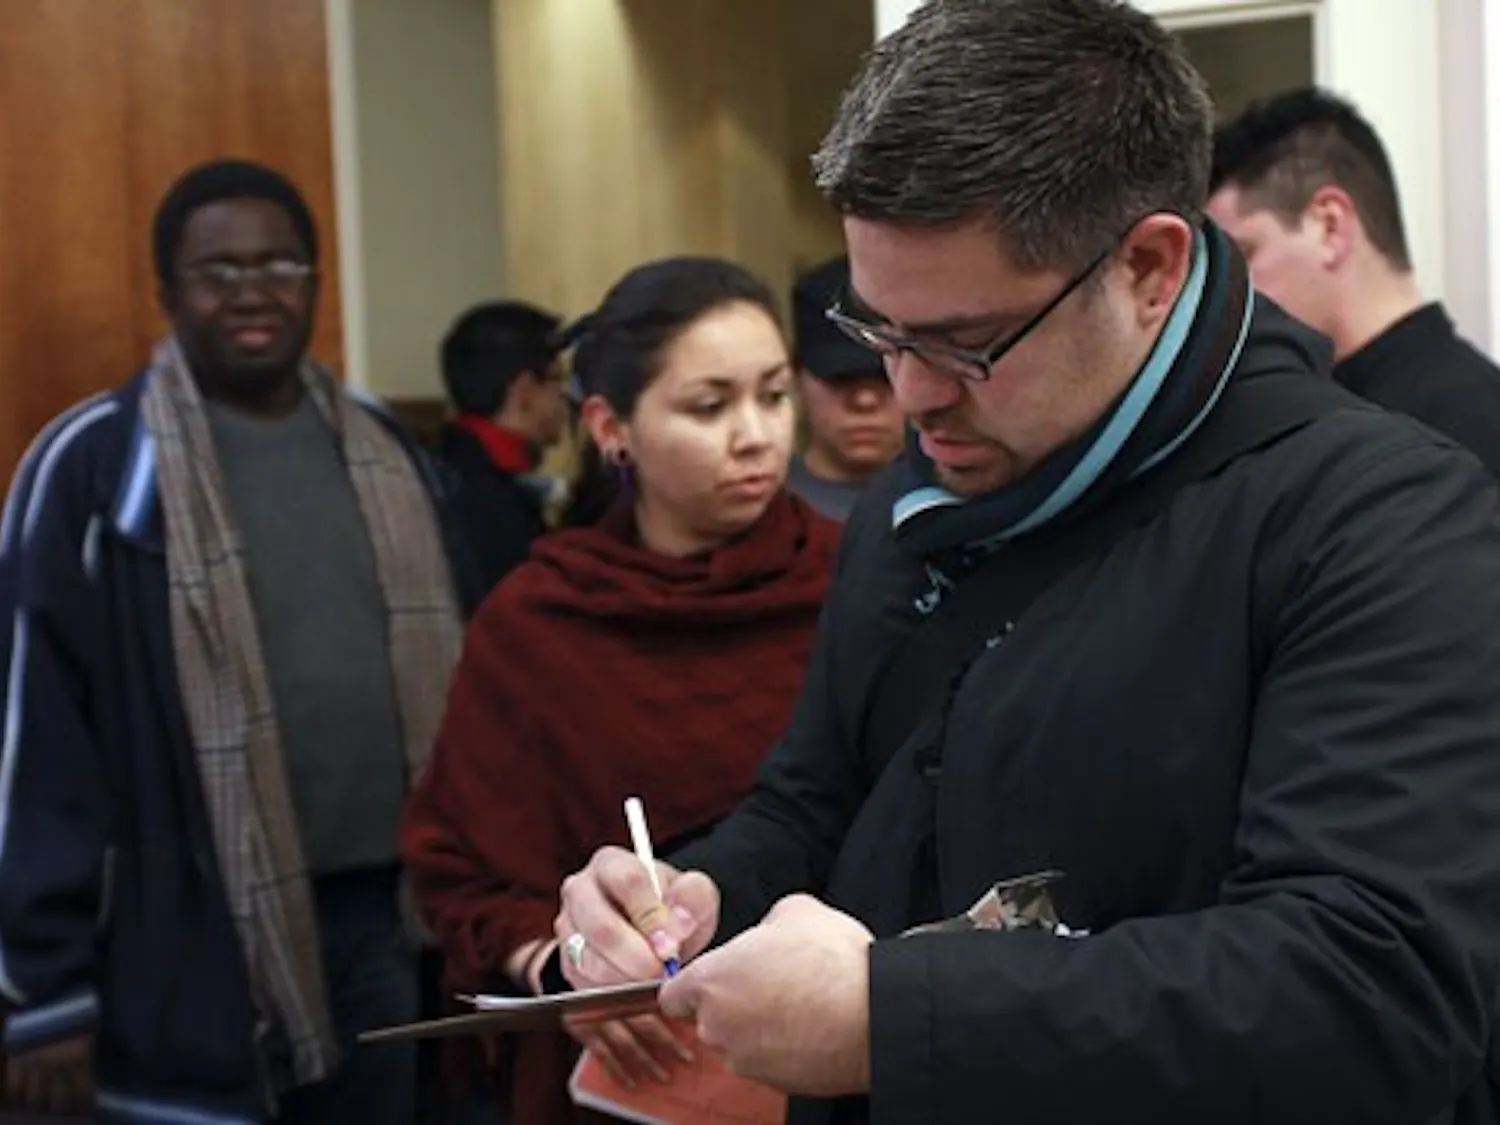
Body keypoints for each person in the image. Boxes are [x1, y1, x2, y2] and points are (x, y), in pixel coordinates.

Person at [551, 3, 1500, 1124]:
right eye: (878, 331)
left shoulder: (1382, 519)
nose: (912, 395)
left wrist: (891, 1016)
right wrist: (699, 894)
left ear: (1150, 267)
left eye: (963, 342)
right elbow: (818, 808)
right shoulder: (918, 497)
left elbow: (1372, 994)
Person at [0, 160, 476, 1124]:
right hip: (180, 936)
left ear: (313, 282)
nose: (253, 290)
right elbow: (32, 740)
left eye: (281, 265)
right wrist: (41, 990)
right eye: (219, 271)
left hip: (385, 922)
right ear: (168, 291)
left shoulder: (389, 450)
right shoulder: (91, 465)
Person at [401, 256, 840, 1125]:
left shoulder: (857, 583)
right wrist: (564, 965)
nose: (755, 434)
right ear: (611, 426)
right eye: (709, 407)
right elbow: (459, 870)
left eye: (775, 395)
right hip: (629, 1075)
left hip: (829, 1055)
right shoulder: (540, 619)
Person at [1208, 86, 1500, 474]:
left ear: (1329, 226)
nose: (1231, 289)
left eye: (1246, 254)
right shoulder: (1317, 407)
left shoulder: (1462, 427)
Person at [439, 301, 571, 594]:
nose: (566, 396)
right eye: (557, 379)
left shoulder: (443, 470)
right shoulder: (486, 502)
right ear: (525, 392)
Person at [786, 257, 904, 520]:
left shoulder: (962, 507)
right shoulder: (756, 512)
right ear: (796, 376)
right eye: (840, 378)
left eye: (885, 376)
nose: (865, 400)